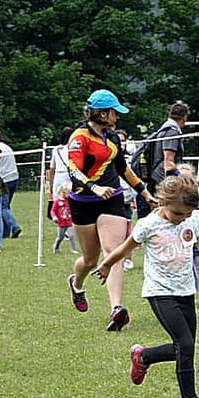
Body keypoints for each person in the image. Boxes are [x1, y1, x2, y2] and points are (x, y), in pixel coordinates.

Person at [94, 175, 199, 398]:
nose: (182, 219)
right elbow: (124, 247)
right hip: (159, 292)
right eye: (177, 214)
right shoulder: (148, 225)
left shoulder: (191, 219)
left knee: (185, 346)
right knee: (185, 344)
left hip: (186, 290)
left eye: (186, 215)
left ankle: (143, 357)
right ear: (164, 202)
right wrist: (106, 264)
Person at [65, 89, 156, 332]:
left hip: (112, 199)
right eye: (115, 112)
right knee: (90, 260)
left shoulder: (113, 138)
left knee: (114, 252)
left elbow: (123, 169)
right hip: (83, 201)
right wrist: (93, 188)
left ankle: (116, 309)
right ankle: (77, 284)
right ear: (102, 113)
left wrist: (144, 192)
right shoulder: (79, 137)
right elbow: (73, 169)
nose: (118, 116)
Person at [133, 101, 189, 220]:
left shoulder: (163, 130)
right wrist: (174, 181)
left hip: (156, 177)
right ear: (184, 117)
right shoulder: (172, 132)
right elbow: (168, 160)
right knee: (161, 215)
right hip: (161, 179)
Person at [0, 130, 22, 238]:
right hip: (13, 178)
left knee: (2, 207)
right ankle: (5, 233)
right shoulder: (7, 147)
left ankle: (14, 226)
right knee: (6, 207)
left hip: (4, 180)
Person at [51, 185, 78, 254]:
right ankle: (56, 247)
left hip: (69, 222)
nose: (69, 195)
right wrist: (54, 217)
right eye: (68, 193)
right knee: (60, 237)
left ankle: (73, 249)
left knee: (71, 236)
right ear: (62, 193)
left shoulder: (69, 201)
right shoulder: (57, 202)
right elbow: (53, 210)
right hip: (61, 223)